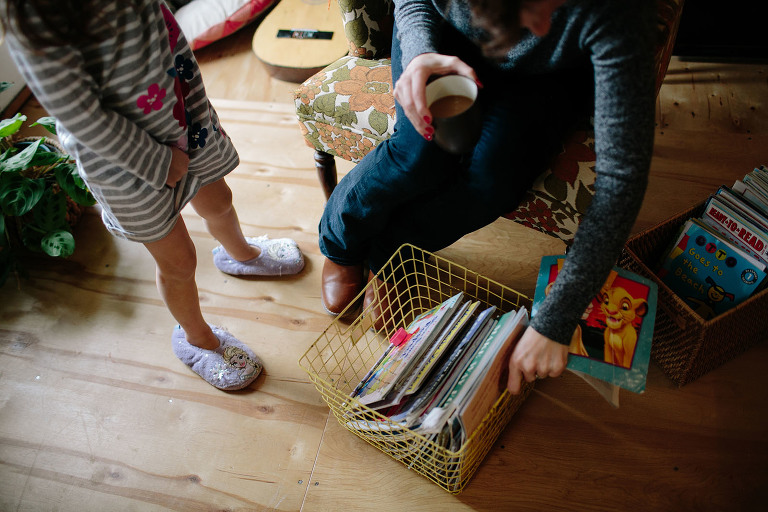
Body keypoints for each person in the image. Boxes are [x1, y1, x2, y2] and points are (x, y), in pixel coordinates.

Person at [317, 0, 656, 394]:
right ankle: (341, 242)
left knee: (494, 182)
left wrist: (555, 320)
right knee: (419, 155)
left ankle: (390, 251)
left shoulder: (621, 13)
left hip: (550, 76)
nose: (543, 27)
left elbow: (622, 177)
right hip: (447, 40)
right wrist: (420, 53)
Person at [1, 0, 305, 391]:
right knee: (178, 261)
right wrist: (157, 161)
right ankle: (197, 338)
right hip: (126, 164)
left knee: (219, 200)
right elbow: (83, 119)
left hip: (185, 118)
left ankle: (240, 254)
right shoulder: (38, 27)